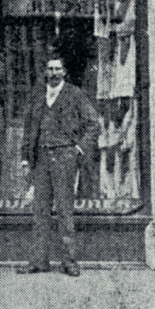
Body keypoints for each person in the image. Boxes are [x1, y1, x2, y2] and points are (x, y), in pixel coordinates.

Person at [18, 55, 100, 276]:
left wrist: (79, 149)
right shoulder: (37, 96)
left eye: (58, 69)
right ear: (45, 72)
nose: (54, 73)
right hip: (41, 159)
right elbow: (28, 129)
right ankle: (39, 261)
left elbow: (94, 124)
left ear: (64, 72)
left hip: (64, 157)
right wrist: (25, 159)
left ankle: (69, 262)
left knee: (65, 210)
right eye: (50, 69)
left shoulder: (75, 94)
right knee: (40, 211)